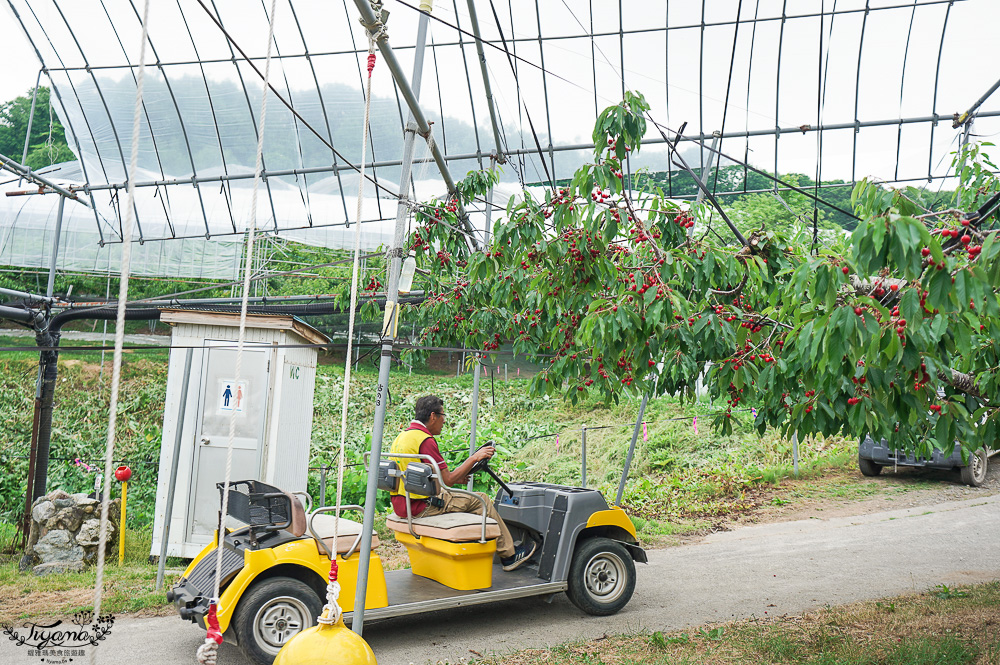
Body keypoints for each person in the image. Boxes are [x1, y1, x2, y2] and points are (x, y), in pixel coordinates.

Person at [389, 394, 537, 571]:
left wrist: (456, 479)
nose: (444, 421)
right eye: (443, 415)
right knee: (480, 499)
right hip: (420, 506)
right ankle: (509, 555)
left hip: (403, 502)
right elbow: (448, 480)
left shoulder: (404, 436)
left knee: (463, 498)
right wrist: (475, 458)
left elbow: (434, 478)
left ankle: (478, 548)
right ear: (433, 416)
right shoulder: (426, 441)